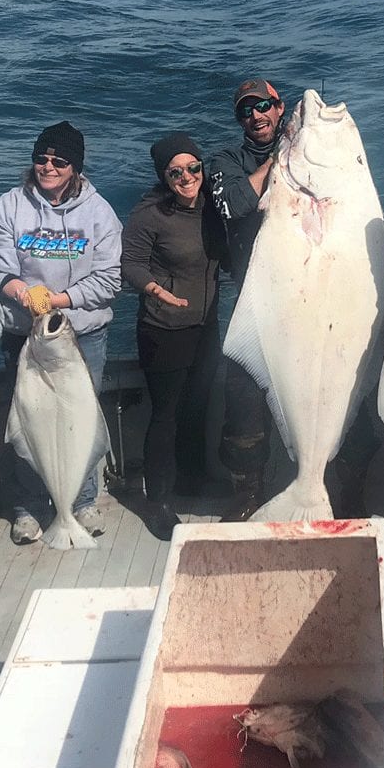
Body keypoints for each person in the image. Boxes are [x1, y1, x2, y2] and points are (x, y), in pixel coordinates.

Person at [0, 121, 122, 544]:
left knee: (80, 419)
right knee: (27, 420)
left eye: (59, 161)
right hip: (25, 338)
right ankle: (28, 507)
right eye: (41, 158)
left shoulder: (99, 213)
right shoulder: (9, 205)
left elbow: (109, 280)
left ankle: (81, 501)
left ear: (75, 167)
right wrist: (21, 292)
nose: (48, 166)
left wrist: (58, 301)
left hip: (80, 338)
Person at [120, 133, 225, 540]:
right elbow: (130, 262)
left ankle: (193, 480)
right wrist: (154, 290)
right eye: (175, 172)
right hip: (163, 330)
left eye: (193, 168)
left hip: (206, 325)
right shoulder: (150, 215)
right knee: (165, 415)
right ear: (164, 177)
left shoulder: (213, 207)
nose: (187, 177)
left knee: (198, 404)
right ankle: (159, 501)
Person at [207, 78, 287, 521]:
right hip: (252, 300)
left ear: (279, 107)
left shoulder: (306, 151)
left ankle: (334, 487)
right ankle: (247, 494)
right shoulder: (224, 160)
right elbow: (235, 205)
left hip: (303, 298)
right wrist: (275, 164)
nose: (255, 115)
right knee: (243, 403)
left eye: (263, 106)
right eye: (245, 110)